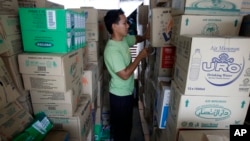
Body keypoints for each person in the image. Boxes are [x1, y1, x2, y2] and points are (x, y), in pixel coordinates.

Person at [103, 9, 150, 141]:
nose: (128, 25)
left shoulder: (123, 40)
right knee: (121, 132)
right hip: (119, 97)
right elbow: (124, 75)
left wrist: (145, 36)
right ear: (114, 26)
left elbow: (135, 39)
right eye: (124, 23)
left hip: (127, 93)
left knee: (127, 127)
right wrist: (140, 57)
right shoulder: (112, 50)